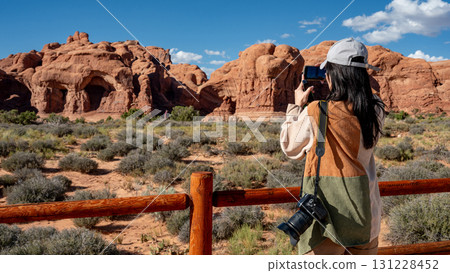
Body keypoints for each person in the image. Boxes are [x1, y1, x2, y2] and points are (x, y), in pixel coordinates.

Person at [280, 38, 386, 255]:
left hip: (327, 221)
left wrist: (296, 106)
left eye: (327, 71)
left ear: (333, 75)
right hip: (367, 218)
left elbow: (290, 147)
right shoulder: (376, 110)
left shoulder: (318, 110)